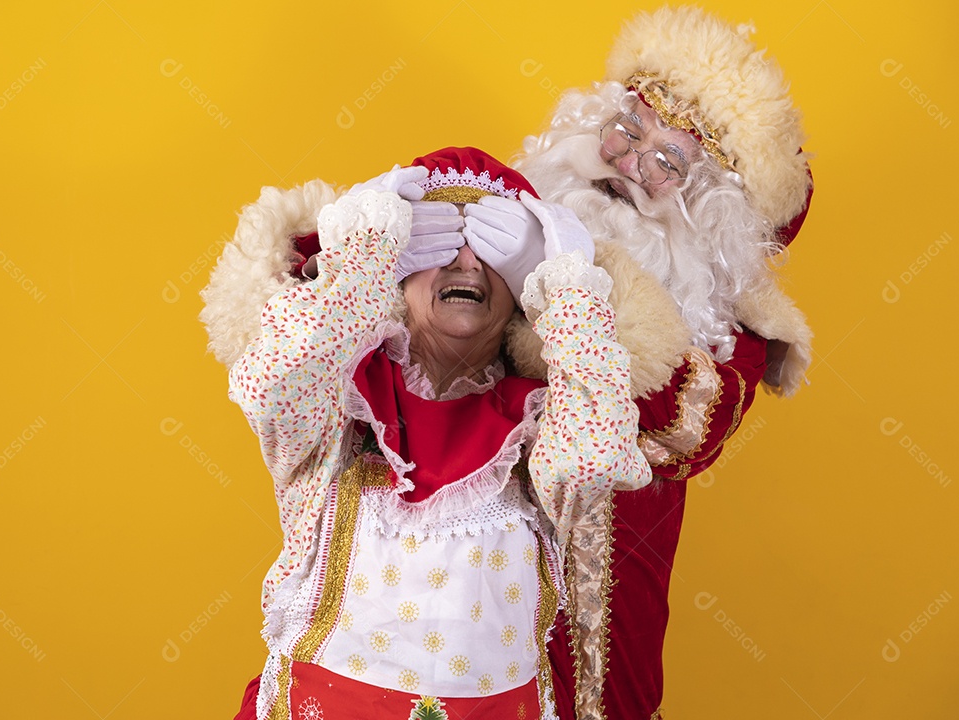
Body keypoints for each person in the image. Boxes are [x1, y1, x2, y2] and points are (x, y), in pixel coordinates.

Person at [204, 147, 651, 719]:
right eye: (443, 239)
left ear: (521, 290)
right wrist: (363, 256)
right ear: (400, 261)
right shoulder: (338, 400)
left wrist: (565, 289)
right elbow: (273, 379)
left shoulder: (545, 419)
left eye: (491, 248)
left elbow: (591, 461)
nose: (466, 262)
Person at [506, 7, 815, 719]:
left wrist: (573, 285)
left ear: (711, 215)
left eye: (669, 163)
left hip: (593, 615)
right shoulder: (511, 211)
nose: (628, 167)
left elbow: (678, 431)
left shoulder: (734, 338)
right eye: (629, 129)